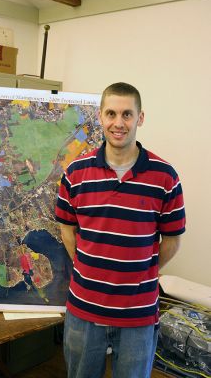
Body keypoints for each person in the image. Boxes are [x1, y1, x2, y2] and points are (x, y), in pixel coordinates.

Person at [55, 82, 185, 378]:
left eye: (127, 114)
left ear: (140, 118)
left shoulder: (165, 177)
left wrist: (142, 273)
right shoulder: (75, 173)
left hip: (138, 315)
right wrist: (90, 270)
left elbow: (173, 241)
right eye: (111, 113)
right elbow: (67, 231)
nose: (118, 122)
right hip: (84, 311)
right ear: (100, 116)